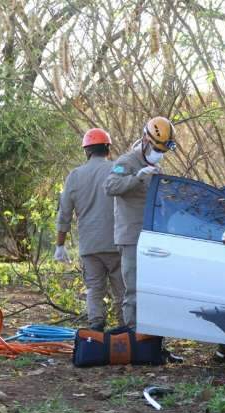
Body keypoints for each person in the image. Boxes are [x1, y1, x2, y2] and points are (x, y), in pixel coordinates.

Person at [104, 117, 177, 328]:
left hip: (152, 237)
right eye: (156, 148)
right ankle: (133, 340)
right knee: (134, 290)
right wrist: (137, 177)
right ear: (146, 138)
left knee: (153, 291)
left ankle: (151, 342)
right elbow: (110, 186)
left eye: (162, 150)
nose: (159, 153)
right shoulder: (127, 162)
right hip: (131, 238)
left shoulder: (154, 166)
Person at [55, 128, 125, 331]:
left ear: (87, 151)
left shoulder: (75, 176)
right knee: (122, 291)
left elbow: (64, 214)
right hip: (117, 243)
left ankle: (96, 327)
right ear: (108, 149)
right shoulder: (117, 169)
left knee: (95, 289)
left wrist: (60, 245)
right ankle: (126, 331)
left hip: (90, 247)